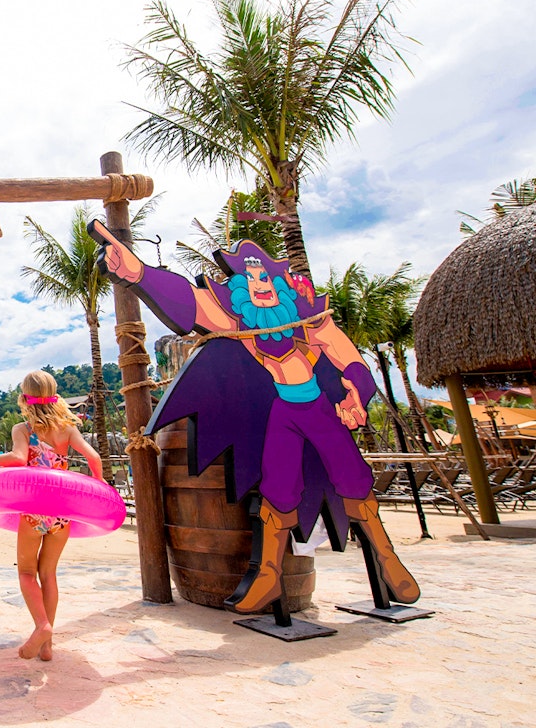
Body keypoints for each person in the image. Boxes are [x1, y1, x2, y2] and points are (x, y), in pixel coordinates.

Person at [87, 218, 418, 611]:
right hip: (282, 409)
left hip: (317, 407)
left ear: (278, 282)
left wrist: (357, 392)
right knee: (276, 490)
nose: (259, 282)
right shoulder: (238, 321)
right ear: (241, 285)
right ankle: (268, 577)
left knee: (352, 478)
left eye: (264, 275)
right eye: (250, 276)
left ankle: (386, 558)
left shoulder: (305, 314)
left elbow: (344, 353)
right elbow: (188, 301)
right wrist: (138, 273)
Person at [0, 370, 102, 661]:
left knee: (27, 573)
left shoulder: (23, 429)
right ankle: (47, 647)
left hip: (33, 511)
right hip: (61, 513)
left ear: (24, 398)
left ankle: (42, 626)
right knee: (48, 574)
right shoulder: (67, 428)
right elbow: (94, 458)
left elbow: (17, 459)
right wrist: (99, 490)